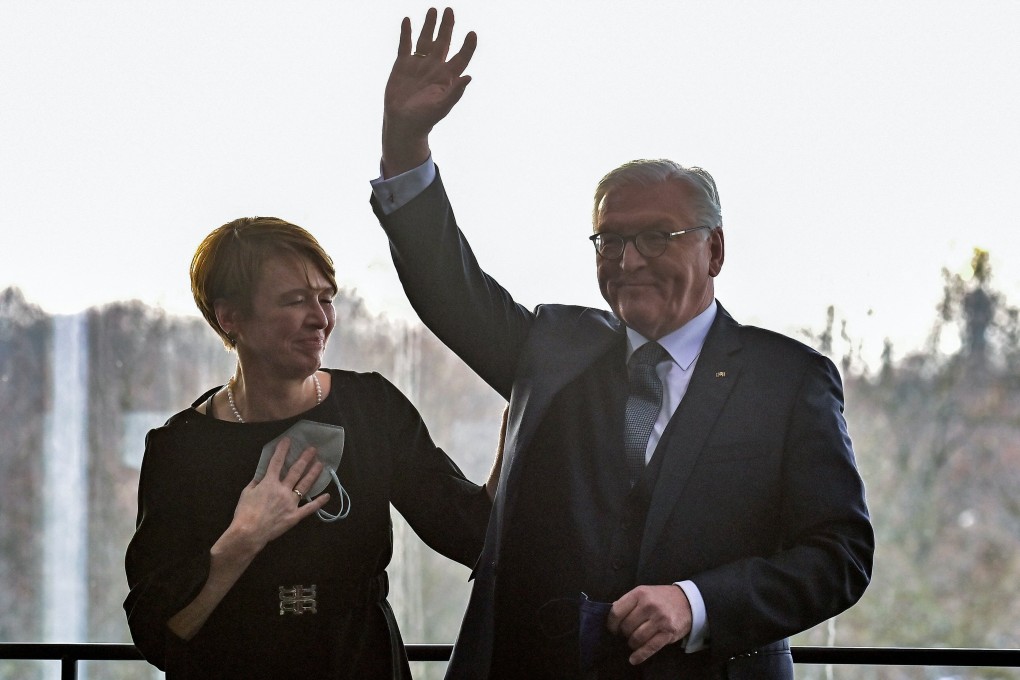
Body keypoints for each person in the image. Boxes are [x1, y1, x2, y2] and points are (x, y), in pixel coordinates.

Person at [369, 8, 875, 680]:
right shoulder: (552, 348)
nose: (629, 260)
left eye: (658, 236)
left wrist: (694, 604)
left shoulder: (789, 380)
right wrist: (406, 146)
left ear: (715, 248)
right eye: (610, 239)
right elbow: (447, 288)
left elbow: (838, 556)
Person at [124, 216, 498, 679]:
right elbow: (158, 630)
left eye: (325, 299)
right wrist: (246, 536)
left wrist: (515, 462)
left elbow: (467, 532)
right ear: (230, 317)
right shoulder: (178, 449)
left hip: (360, 665)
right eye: (295, 300)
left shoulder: (372, 408)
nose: (320, 319)